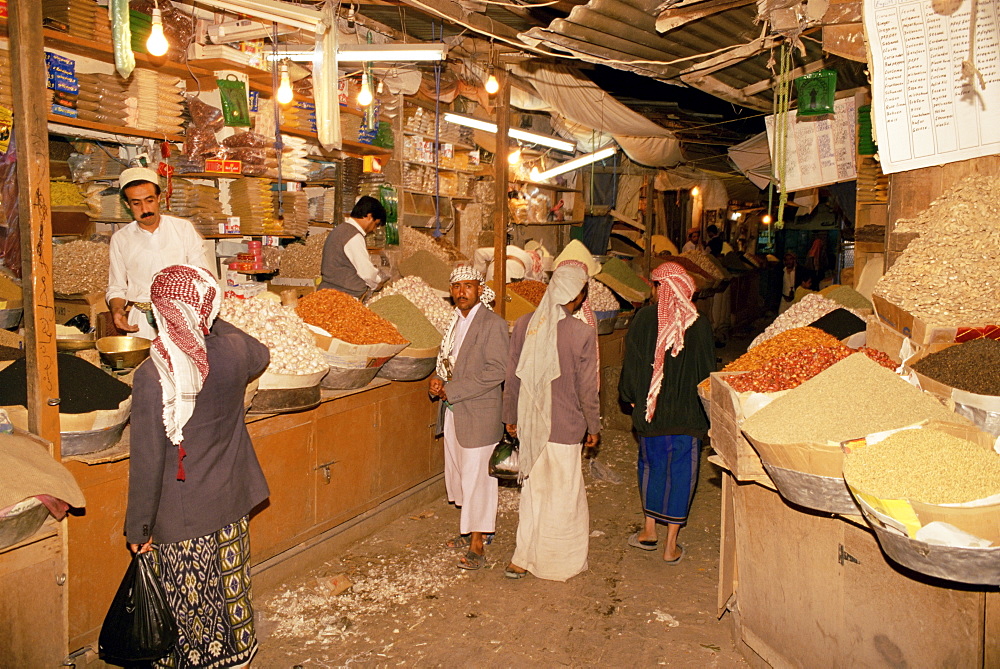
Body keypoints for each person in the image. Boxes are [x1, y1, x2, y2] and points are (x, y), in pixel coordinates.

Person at [126, 264, 270, 668]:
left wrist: (139, 529)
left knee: (192, 605)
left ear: (160, 310)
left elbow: (148, 464)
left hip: (183, 517)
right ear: (206, 306)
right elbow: (262, 351)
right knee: (231, 588)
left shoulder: (153, 376)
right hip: (231, 500)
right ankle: (239, 657)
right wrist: (210, 319)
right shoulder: (234, 353)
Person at [502, 262, 600, 581]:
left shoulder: (525, 324)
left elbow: (512, 375)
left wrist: (510, 417)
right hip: (567, 427)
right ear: (577, 295)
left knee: (534, 494)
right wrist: (594, 426)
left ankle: (523, 559)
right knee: (563, 495)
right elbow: (587, 388)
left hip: (531, 424)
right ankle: (559, 562)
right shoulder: (582, 333)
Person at [619, 261, 714, 564]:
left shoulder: (645, 319)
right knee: (682, 474)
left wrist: (631, 398)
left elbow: (632, 365)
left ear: (662, 287)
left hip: (653, 414)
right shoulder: (698, 324)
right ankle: (671, 545)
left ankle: (649, 531)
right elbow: (708, 373)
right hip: (688, 417)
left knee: (652, 468)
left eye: (655, 285)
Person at [428, 266, 508, 570]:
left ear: (480, 289)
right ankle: (470, 528)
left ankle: (478, 543)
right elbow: (448, 364)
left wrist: (453, 389)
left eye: (468, 286)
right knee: (460, 475)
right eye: (457, 286)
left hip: (479, 412)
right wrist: (437, 380)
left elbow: (496, 371)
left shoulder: (492, 324)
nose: (462, 292)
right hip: (454, 412)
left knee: (479, 480)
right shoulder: (453, 324)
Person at [107, 167, 211, 340]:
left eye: (149, 200)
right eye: (136, 203)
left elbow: (203, 276)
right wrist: (117, 311)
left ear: (159, 199)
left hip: (183, 317)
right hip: (141, 322)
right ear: (127, 205)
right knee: (145, 366)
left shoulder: (183, 229)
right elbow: (116, 287)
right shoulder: (121, 239)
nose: (145, 209)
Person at [319, 195, 387, 298]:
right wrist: (377, 282)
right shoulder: (353, 236)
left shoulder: (341, 230)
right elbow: (366, 272)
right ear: (369, 216)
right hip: (341, 297)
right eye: (376, 224)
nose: (374, 229)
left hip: (330, 293)